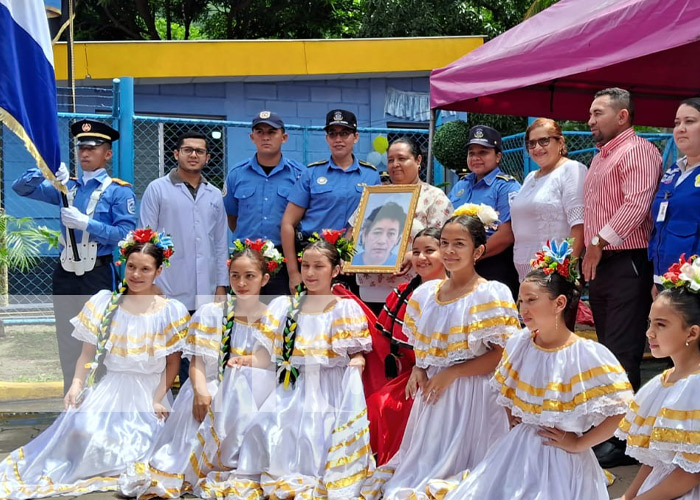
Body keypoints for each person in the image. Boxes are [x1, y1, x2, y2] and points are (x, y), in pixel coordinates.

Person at [0, 229, 189, 499]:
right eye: (132, 267)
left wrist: (158, 398)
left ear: (158, 271)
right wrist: (76, 385)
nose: (136, 275)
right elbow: (86, 355)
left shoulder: (170, 311)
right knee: (84, 434)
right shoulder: (105, 303)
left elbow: (172, 363)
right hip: (112, 388)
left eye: (145, 269)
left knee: (141, 444)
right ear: (123, 264)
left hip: (149, 391)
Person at [440, 239, 633, 500]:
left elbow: (621, 411)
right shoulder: (521, 343)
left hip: (562, 459)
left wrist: (579, 443)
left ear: (559, 303)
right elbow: (505, 388)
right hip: (518, 450)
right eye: (521, 301)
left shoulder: (587, 355)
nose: (524, 309)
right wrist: (515, 417)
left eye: (532, 300)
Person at [361, 203, 520, 500]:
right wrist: (421, 368)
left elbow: (502, 355)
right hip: (435, 394)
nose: (449, 251)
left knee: (469, 469)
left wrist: (453, 373)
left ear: (478, 252)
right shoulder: (425, 295)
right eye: (444, 243)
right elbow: (425, 347)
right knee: (423, 468)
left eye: (459, 244)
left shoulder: (490, 294)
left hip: (474, 396)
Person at [211, 231, 373, 499]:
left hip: (328, 388)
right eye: (305, 265)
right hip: (293, 387)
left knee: (314, 438)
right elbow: (270, 356)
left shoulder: (344, 309)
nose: (310, 272)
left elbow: (357, 354)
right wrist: (247, 360)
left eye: (319, 266)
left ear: (336, 270)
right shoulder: (286, 307)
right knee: (265, 430)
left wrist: (357, 362)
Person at [119, 238, 283, 498]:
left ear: (264, 279)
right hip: (210, 384)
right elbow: (196, 361)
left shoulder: (273, 318)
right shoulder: (211, 313)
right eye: (235, 276)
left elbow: (267, 362)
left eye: (249, 276)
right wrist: (199, 391)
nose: (241, 283)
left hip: (252, 392)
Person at [11, 119, 137, 394]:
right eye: (81, 147)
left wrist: (87, 224)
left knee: (99, 337)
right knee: (67, 339)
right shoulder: (67, 187)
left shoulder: (118, 191)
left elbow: (126, 235)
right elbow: (21, 188)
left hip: (97, 273)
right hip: (66, 273)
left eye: (93, 147)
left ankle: (99, 399)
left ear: (108, 153)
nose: (85, 153)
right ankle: (72, 398)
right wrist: (46, 172)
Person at [583, 88, 662, 468]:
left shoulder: (640, 151)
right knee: (606, 349)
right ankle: (611, 427)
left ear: (623, 117)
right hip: (601, 262)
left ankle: (624, 438)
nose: (590, 120)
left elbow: (637, 203)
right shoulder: (601, 157)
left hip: (625, 260)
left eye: (598, 113)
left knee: (622, 349)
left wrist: (598, 242)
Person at [139, 131, 228, 386]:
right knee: (167, 352)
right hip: (168, 286)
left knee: (202, 353)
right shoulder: (158, 189)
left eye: (199, 151)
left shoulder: (213, 195)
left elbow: (220, 242)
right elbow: (146, 239)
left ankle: (194, 414)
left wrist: (221, 285)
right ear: (176, 153)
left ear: (207, 158)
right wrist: (150, 284)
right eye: (187, 150)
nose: (193, 155)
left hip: (206, 289)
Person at [615, 255, 700, 500]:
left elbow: (691, 473)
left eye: (661, 325)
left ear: (692, 332)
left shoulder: (695, 388)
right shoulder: (661, 383)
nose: (649, 333)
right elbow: (656, 458)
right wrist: (628, 496)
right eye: (650, 323)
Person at [365, 227, 447, 466]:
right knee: (378, 404)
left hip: (442, 376)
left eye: (430, 251)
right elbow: (386, 347)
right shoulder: (402, 293)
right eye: (416, 251)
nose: (421, 258)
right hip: (407, 374)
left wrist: (422, 368)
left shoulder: (454, 294)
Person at [281, 109, 381, 293]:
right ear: (327, 138)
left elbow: (373, 222)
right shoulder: (311, 173)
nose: (338, 139)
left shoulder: (371, 175)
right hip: (313, 260)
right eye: (332, 134)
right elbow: (288, 223)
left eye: (344, 133)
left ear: (356, 137)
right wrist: (294, 272)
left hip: (350, 265)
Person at [349, 137, 453, 312]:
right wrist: (347, 257)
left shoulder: (435, 197)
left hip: (414, 290)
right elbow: (354, 232)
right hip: (370, 290)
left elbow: (443, 240)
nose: (395, 164)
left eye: (402, 158)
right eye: (391, 160)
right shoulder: (375, 195)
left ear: (418, 160)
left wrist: (413, 254)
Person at [223, 111, 304, 297]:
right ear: (252, 137)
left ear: (284, 137)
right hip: (245, 258)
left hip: (284, 258)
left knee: (280, 314)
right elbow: (232, 217)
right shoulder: (237, 174)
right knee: (244, 315)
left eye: (272, 132)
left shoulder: (299, 174)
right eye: (260, 132)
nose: (265, 137)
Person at [448, 125, 521, 300]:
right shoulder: (461, 186)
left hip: (493, 263)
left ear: (498, 156)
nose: (476, 158)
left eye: (483, 152)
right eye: (471, 153)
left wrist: (472, 257)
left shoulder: (506, 186)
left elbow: (506, 235)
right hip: (459, 263)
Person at [510, 118, 587, 281]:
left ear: (560, 142)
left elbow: (579, 226)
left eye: (544, 141)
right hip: (525, 273)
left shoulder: (571, 170)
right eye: (531, 143)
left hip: (554, 274)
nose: (537, 148)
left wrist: (565, 272)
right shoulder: (530, 177)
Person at [649, 98, 700, 292]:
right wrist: (658, 278)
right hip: (666, 277)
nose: (680, 128)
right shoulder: (673, 171)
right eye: (677, 123)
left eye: (690, 121)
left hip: (694, 283)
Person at [352, 202, 406, 267]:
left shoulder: (401, 265)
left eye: (391, 234)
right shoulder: (350, 263)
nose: (382, 241)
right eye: (377, 232)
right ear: (364, 235)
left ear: (397, 239)